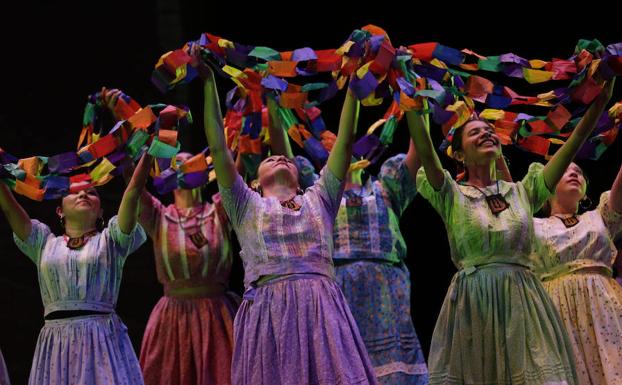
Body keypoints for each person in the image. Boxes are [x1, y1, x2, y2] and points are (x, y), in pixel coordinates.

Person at [410, 78, 614, 384]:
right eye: (475, 132)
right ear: (459, 154)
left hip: (523, 303)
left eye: (489, 130)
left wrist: (599, 103)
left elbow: (572, 145)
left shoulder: (522, 192)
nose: (487, 133)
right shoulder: (451, 194)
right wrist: (411, 101)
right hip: (473, 305)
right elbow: (425, 151)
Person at [202, 60, 379, 385]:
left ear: (300, 180)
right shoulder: (246, 205)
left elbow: (344, 139)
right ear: (254, 182)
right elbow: (217, 146)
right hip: (270, 313)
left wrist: (354, 86)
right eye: (269, 158)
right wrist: (209, 81)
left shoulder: (319, 199)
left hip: (320, 308)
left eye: (285, 157)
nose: (280, 157)